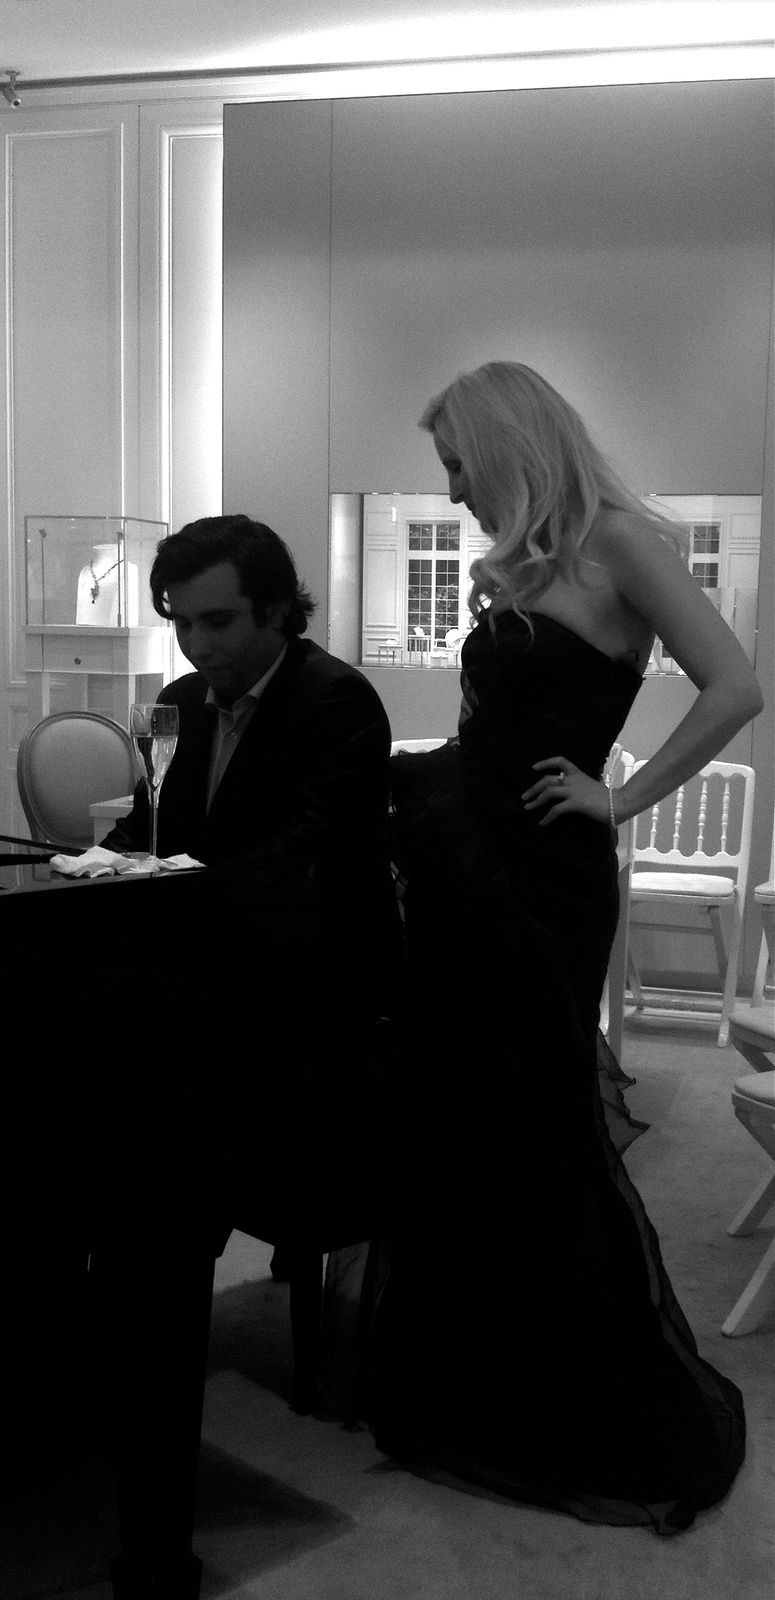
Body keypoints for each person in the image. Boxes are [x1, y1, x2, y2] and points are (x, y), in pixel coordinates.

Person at [328, 362, 761, 1535]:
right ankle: (475, 1389)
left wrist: (621, 800)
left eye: (456, 465)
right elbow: (495, 729)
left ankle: (586, 1404)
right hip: (465, 869)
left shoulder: (620, 542)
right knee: (463, 1117)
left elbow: (735, 687)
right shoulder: (519, 563)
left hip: (543, 883)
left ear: (507, 447)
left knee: (538, 1122)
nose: (451, 490)